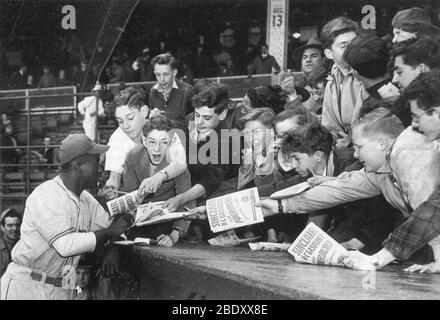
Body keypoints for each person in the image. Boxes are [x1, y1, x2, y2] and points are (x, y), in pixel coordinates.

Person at [258, 107, 440, 271]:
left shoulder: (410, 154)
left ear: (382, 144)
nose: (355, 153)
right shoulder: (377, 172)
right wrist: (282, 205)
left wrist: (378, 259)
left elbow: (429, 213)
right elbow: (337, 190)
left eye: (359, 147)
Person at [1, 134, 133, 300]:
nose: (100, 168)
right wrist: (109, 233)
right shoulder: (47, 195)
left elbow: (110, 226)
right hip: (27, 286)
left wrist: (111, 246)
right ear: (78, 166)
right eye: (95, 162)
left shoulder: (86, 198)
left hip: (62, 287)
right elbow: (65, 245)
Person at [102, 87, 187, 201]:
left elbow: (181, 163)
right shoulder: (117, 139)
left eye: (130, 118)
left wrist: (159, 177)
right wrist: (111, 188)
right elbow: (114, 177)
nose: (125, 126)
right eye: (120, 121)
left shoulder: (162, 127)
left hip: (173, 196)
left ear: (144, 111)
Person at [123, 116, 195, 246]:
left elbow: (187, 201)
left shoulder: (177, 163)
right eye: (152, 142)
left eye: (164, 142)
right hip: (139, 221)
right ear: (144, 141)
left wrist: (174, 235)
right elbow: (129, 197)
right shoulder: (133, 157)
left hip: (169, 221)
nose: (157, 149)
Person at [320, 16, 368, 149]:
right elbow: (329, 125)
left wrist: (350, 141)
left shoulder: (367, 71)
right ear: (329, 53)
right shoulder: (333, 77)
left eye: (354, 43)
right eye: (343, 46)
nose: (352, 49)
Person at [148, 53, 195, 125]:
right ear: (154, 73)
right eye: (158, 75)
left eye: (166, 74)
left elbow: (194, 121)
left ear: (174, 72)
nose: (162, 79)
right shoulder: (153, 91)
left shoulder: (187, 90)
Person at [292, 36, 326, 112]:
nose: (308, 60)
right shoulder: (297, 87)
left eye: (314, 56)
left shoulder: (330, 83)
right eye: (304, 57)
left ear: (323, 60)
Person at [0, 209, 21, 277]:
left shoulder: (26, 247)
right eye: (10, 225)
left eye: (17, 225)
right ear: (2, 227)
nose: (15, 228)